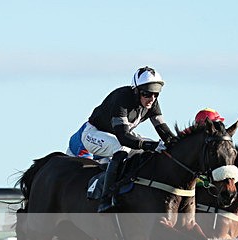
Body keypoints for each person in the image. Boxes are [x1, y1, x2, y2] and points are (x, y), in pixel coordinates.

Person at [67, 66, 178, 212]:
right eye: (147, 94)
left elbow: (163, 131)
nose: (152, 99)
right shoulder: (122, 99)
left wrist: (178, 146)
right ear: (136, 90)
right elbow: (124, 138)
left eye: (156, 94)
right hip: (93, 134)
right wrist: (150, 145)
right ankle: (105, 200)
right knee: (122, 149)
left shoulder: (152, 103)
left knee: (152, 151)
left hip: (117, 137)